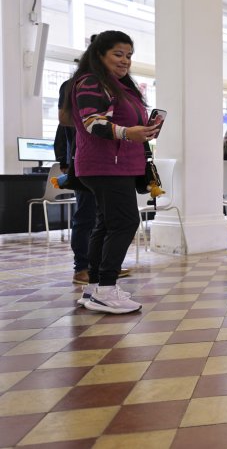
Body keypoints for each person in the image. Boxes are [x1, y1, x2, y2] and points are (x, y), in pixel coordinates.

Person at [64, 30, 160, 314]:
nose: (125, 60)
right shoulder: (92, 82)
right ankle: (106, 289)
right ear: (99, 54)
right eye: (118, 54)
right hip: (105, 164)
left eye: (129, 55)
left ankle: (94, 288)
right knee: (125, 222)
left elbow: (121, 122)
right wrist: (129, 132)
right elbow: (93, 122)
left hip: (117, 164)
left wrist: (143, 131)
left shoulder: (120, 86)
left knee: (106, 224)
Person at [54, 80, 97, 286]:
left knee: (101, 218)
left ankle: (99, 265)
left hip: (104, 164)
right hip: (82, 164)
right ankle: (81, 268)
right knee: (85, 216)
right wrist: (64, 161)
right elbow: (63, 128)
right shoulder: (73, 85)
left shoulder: (109, 86)